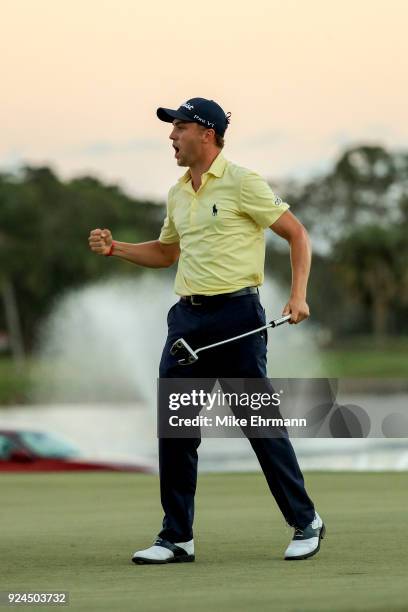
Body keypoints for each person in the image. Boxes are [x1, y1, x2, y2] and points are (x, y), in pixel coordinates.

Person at [88, 97, 325, 564]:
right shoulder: (178, 193)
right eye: (172, 129)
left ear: (206, 133)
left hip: (238, 319)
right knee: (175, 432)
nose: (171, 137)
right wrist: (117, 249)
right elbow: (166, 253)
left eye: (178, 128)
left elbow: (297, 233)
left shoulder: (243, 182)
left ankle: (305, 521)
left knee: (260, 427)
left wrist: (298, 295)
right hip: (186, 323)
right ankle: (177, 538)